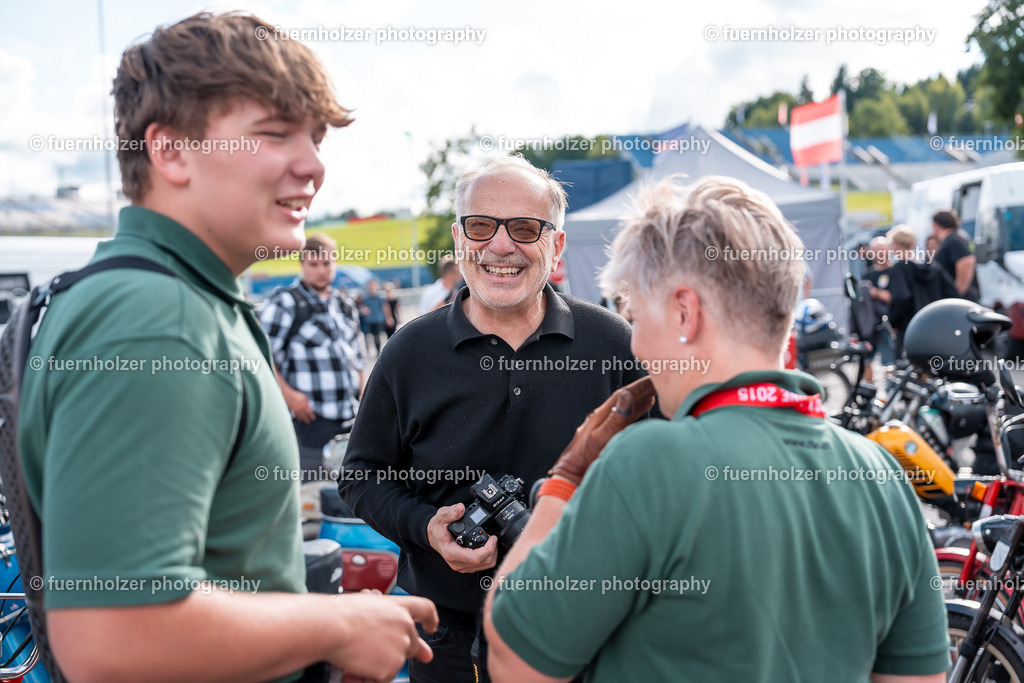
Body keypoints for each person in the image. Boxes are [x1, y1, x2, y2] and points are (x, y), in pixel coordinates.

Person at [17, 12, 436, 683]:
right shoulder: (158, 318)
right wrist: (339, 624)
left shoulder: (177, 297)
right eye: (274, 135)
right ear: (171, 151)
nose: (314, 165)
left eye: (317, 137)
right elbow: (111, 633)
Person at [483, 176, 948, 683]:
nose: (635, 346)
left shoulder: (647, 462)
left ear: (685, 311)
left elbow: (514, 661)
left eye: (636, 315)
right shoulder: (882, 477)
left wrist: (563, 481)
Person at [338, 154, 648, 683]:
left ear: (557, 246)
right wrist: (425, 529)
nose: (500, 246)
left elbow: (657, 478)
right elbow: (361, 476)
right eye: (481, 226)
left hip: (586, 631)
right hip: (448, 639)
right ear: (459, 239)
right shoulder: (409, 352)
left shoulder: (614, 342)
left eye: (526, 228)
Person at [259, 232, 364, 480]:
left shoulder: (345, 305)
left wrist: (363, 395)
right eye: (313, 264)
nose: (321, 270)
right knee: (311, 498)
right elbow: (260, 354)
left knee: (348, 498)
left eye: (327, 263)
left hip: (349, 421)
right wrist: (289, 396)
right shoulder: (285, 302)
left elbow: (357, 356)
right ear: (302, 264)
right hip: (309, 421)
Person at [863, 234, 895, 381]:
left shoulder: (895, 272)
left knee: (890, 362)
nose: (880, 254)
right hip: (871, 324)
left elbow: (892, 297)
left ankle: (892, 393)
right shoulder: (868, 275)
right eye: (876, 250)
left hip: (890, 324)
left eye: (882, 250)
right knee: (866, 360)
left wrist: (876, 292)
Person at [932, 209, 980, 301]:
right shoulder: (954, 238)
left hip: (963, 300)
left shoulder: (955, 239)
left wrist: (957, 293)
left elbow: (967, 261)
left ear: (936, 225)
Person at [358, 278, 393, 356]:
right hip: (368, 320)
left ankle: (378, 351)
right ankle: (368, 351)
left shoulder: (380, 298)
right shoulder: (365, 298)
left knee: (377, 336)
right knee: (367, 337)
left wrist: (388, 318)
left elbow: (385, 308)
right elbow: (361, 307)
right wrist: (363, 310)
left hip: (378, 320)